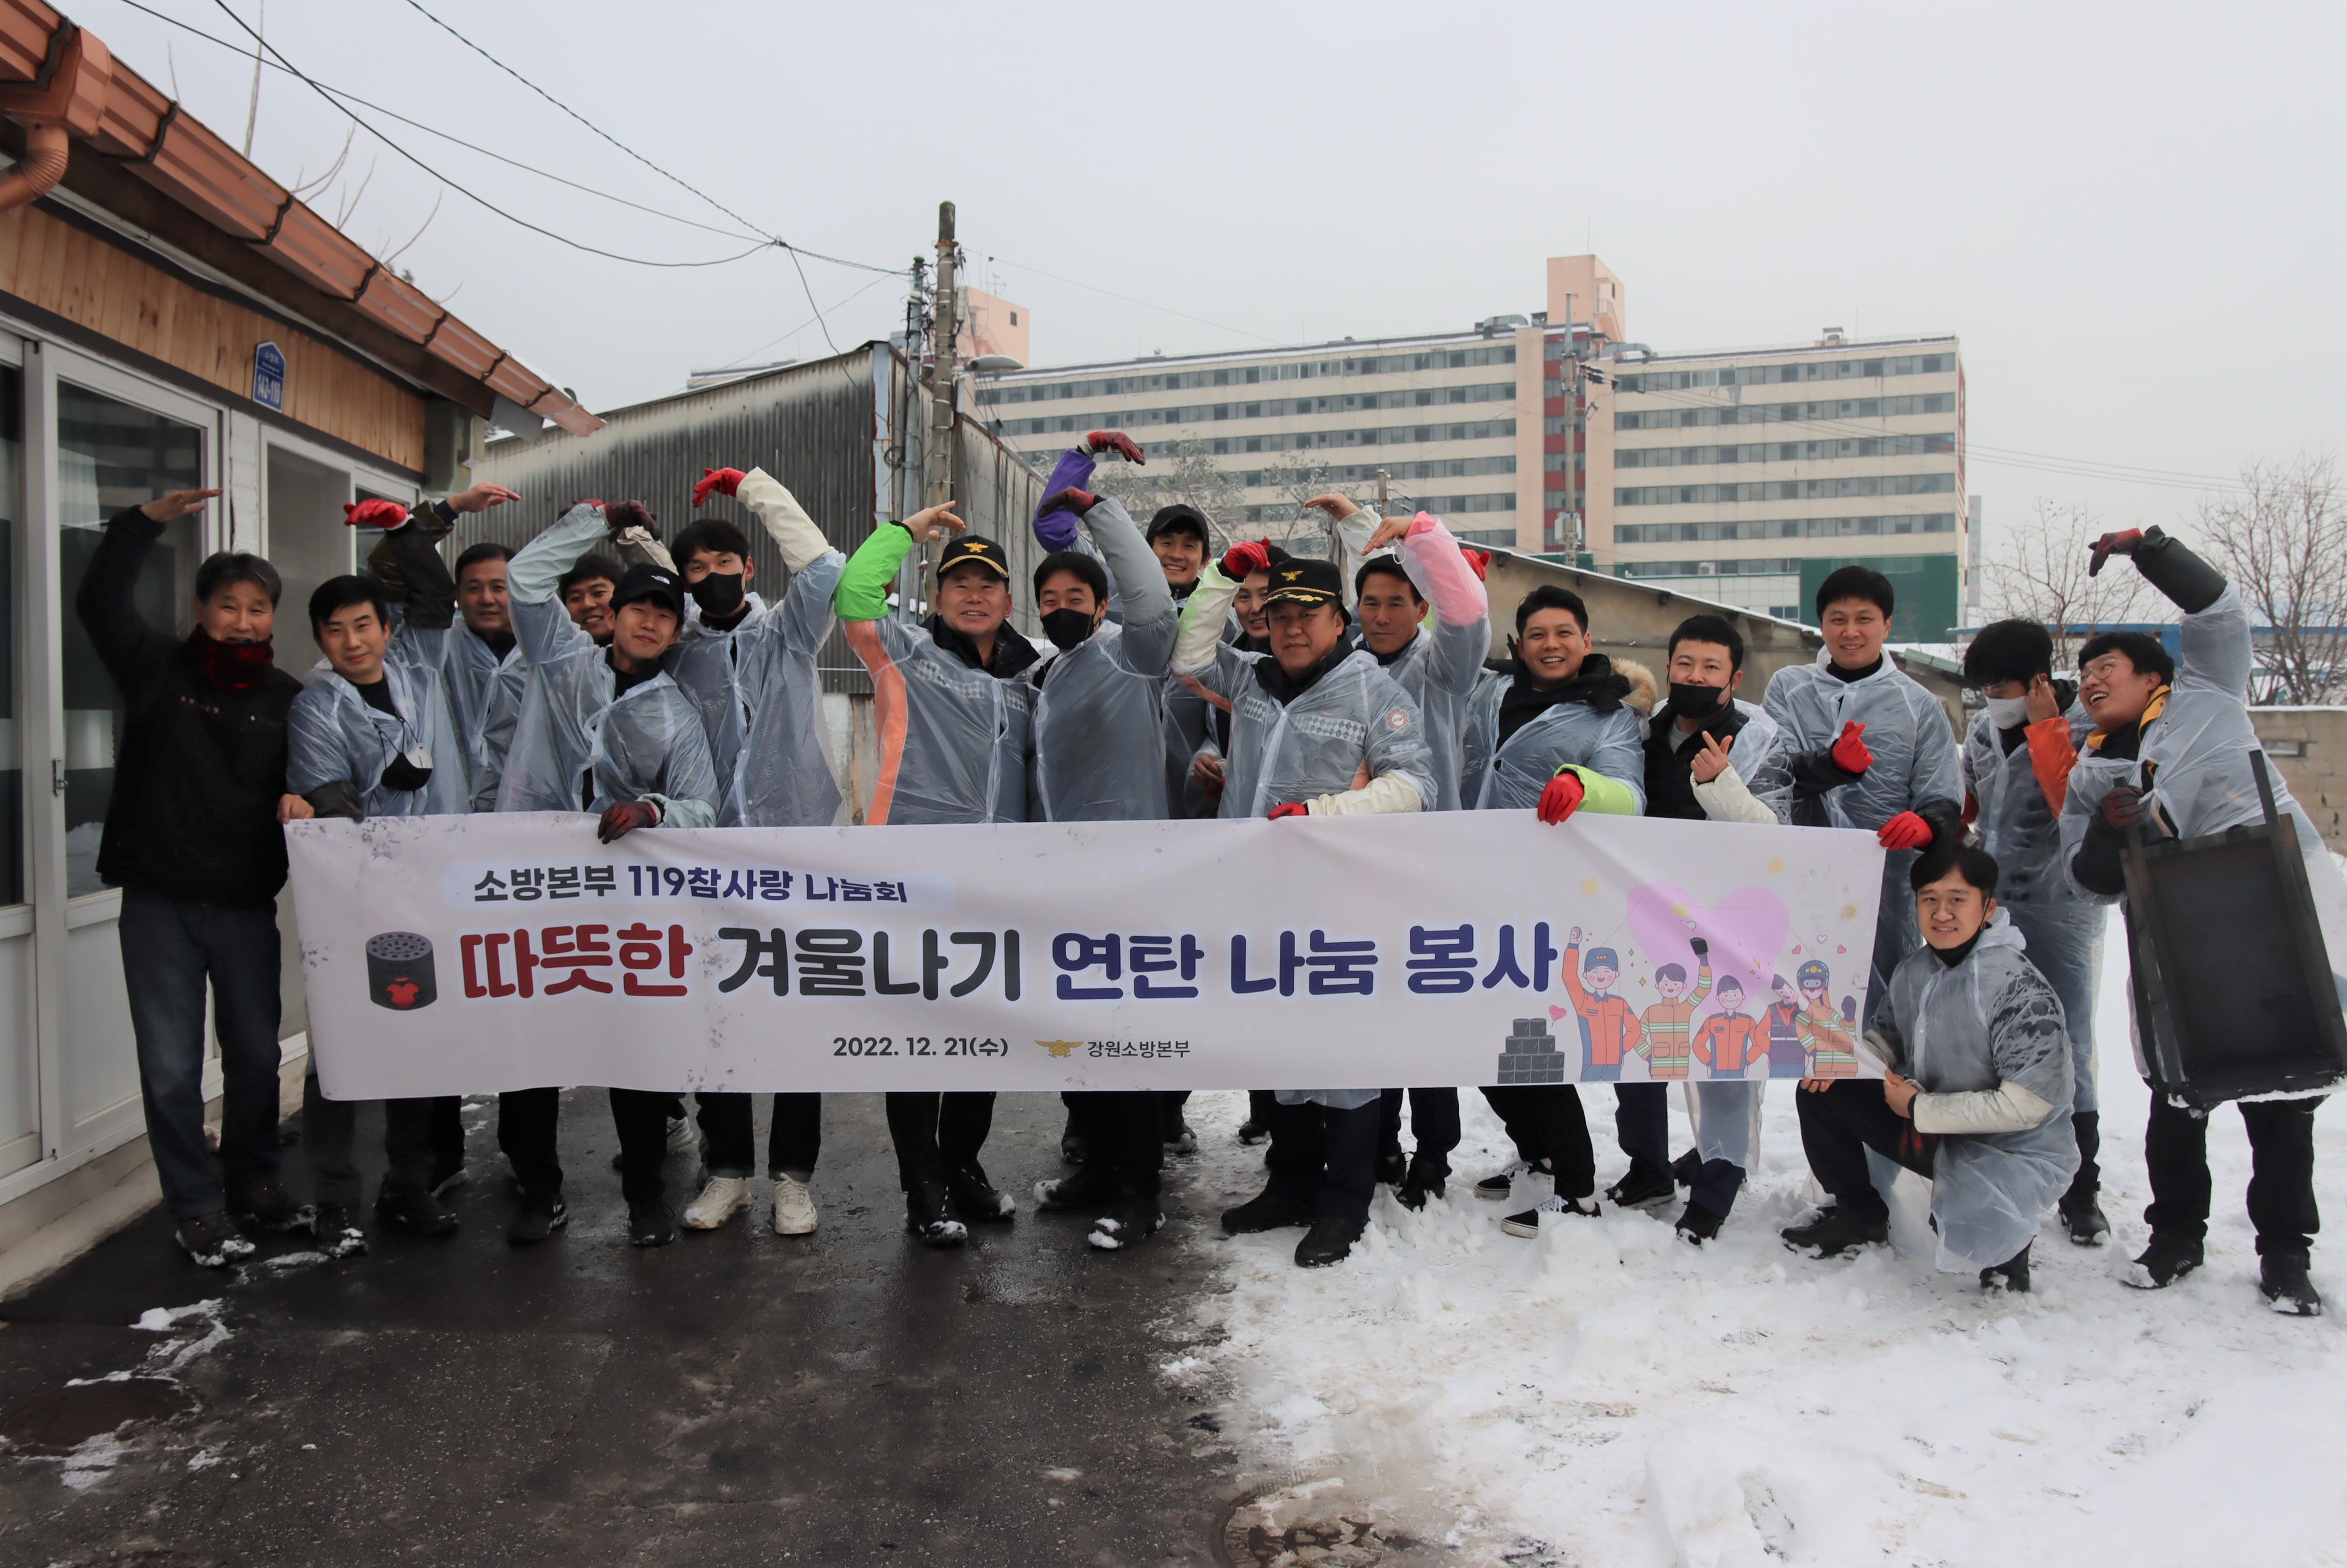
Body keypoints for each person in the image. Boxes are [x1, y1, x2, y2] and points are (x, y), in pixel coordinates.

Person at [2062, 525, 2340, 1316]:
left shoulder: (2208, 698)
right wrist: (2107, 829)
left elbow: (2217, 611)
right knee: (2176, 1098)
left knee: (2280, 1093)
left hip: (2268, 919)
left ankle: (2284, 1253)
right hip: (2178, 945)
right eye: (2083, 674)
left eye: (2105, 667)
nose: (2090, 681)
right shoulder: (2090, 772)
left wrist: (2148, 548)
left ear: (2153, 675)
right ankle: (2175, 1236)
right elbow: (2084, 880)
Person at [1178, 544, 1437, 1267]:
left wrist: (1320, 814)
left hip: (1341, 907)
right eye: (1280, 614)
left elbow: (1414, 785)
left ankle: (1345, 1200)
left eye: (1308, 615)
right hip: (1259, 899)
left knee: (1345, 1054)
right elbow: (1188, 655)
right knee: (1279, 1044)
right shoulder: (1250, 679)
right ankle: (1289, 1183)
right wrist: (1223, 578)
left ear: (1338, 622)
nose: (1291, 628)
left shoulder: (1373, 690)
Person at [74, 487, 312, 1268]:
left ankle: (256, 1183)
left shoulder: (287, 700)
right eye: (227, 605)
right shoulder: (159, 674)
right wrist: (139, 526)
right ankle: (195, 1206)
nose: (242, 620)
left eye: (256, 608)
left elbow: (317, 781)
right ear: (201, 609)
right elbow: (100, 605)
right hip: (159, 906)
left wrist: (311, 803)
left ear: (271, 618)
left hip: (244, 908)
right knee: (173, 1067)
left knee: (255, 1059)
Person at [498, 501, 723, 1248]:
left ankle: (644, 1197)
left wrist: (653, 809)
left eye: (665, 614)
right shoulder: (560, 663)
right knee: (529, 1045)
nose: (649, 622)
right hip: (536, 890)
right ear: (614, 615)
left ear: (676, 630)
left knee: (634, 1048)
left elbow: (703, 806)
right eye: (639, 609)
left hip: (624, 905)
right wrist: (593, 522)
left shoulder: (676, 716)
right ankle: (539, 1190)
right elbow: (525, 579)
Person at [834, 503, 1034, 1246]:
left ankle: (962, 1167)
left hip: (1000, 881)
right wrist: (904, 534)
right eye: (959, 584)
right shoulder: (905, 656)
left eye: (988, 584)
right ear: (937, 596)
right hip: (914, 874)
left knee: (984, 1034)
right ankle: (923, 1187)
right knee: (918, 1036)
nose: (973, 595)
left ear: (1008, 599)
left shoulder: (1029, 676)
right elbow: (855, 594)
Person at [287, 498, 481, 1254]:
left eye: (363, 625)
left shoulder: (416, 669)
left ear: (386, 628)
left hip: (435, 894)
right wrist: (382, 791)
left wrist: (406, 530)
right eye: (335, 630)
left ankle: (408, 1185)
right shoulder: (316, 706)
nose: (352, 641)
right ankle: (335, 1198)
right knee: (340, 1047)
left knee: (416, 1041)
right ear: (320, 639)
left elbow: (435, 594)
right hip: (357, 902)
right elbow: (326, 796)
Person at [670, 463, 848, 1239]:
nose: (711, 576)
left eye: (724, 561)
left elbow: (825, 566)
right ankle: (729, 1171)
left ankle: (792, 1177)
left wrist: (755, 489)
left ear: (749, 568)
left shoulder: (786, 632)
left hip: (793, 854)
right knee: (718, 1017)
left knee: (795, 1018)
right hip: (706, 859)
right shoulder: (680, 652)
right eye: (696, 568)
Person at [1783, 843, 2077, 1295]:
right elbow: (1886, 1038)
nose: (1942, 913)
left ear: (1988, 908)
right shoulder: (1915, 970)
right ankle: (1859, 1217)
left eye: (1958, 899)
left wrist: (1922, 1108)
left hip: (2008, 1149)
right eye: (1929, 899)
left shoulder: (2019, 989)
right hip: (1930, 1123)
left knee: (1981, 1211)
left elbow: (2027, 1106)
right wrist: (1841, 1064)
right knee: (1824, 1090)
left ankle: (2008, 1255)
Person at [1018, 467, 1182, 1250]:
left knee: (1129, 1043)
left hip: (1130, 885)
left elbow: (1154, 603)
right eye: (1048, 599)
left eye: (1075, 597)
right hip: (1062, 886)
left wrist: (1102, 513)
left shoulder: (1130, 656)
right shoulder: (1045, 673)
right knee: (1077, 1040)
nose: (1061, 608)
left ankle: (1139, 1190)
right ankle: (1095, 1168)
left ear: (1101, 603)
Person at [1459, 585, 1647, 1235]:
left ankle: (1576, 1188)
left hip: (1545, 903)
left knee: (1530, 1045)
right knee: (1475, 1042)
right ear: (1519, 645)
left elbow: (1630, 796)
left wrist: (1582, 784)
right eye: (1537, 634)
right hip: (1469, 889)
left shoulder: (1608, 715)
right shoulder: (1488, 695)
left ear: (1586, 641)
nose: (1551, 645)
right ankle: (1536, 1152)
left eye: (1564, 633)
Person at [1324, 501, 1492, 1208]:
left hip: (1429, 868)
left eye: (1398, 602)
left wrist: (1423, 536)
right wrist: (1356, 527)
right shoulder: (1346, 669)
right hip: (1357, 867)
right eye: (1370, 602)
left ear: (1422, 608)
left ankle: (1434, 1150)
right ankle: (1380, 1139)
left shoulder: (1442, 669)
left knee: (1427, 1017)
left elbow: (1468, 613)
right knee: (1370, 1011)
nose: (1382, 614)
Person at [1641, 614, 1792, 1242]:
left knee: (1727, 1046)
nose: (1696, 677)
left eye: (1711, 668)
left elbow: (1775, 832)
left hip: (1732, 920)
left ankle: (1718, 1185)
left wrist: (1718, 784)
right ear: (1669, 666)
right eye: (1685, 664)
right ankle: (1676, 1158)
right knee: (1658, 1040)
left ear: (1734, 679)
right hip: (1653, 913)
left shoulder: (1759, 738)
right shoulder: (1645, 729)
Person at [1762, 565, 1964, 1027]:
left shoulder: (1919, 705)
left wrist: (1927, 824)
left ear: (1887, 625)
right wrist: (1830, 763)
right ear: (1821, 625)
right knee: (1800, 1000)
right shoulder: (1788, 689)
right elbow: (1772, 773)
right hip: (1798, 874)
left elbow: (1942, 793)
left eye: (1864, 619)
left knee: (1883, 1005)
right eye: (1838, 619)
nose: (1850, 631)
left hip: (1886, 881)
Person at [1960, 618, 2108, 1246]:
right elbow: (1968, 804)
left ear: (2039, 680)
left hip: (2060, 908)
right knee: (1987, 1037)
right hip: (1992, 910)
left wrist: (2048, 731)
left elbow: (2074, 806)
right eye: (1984, 689)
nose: (1993, 698)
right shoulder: (1982, 732)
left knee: (2068, 1043)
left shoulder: (2087, 731)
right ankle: (1993, 1169)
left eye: (2002, 687)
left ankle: (2081, 1188)